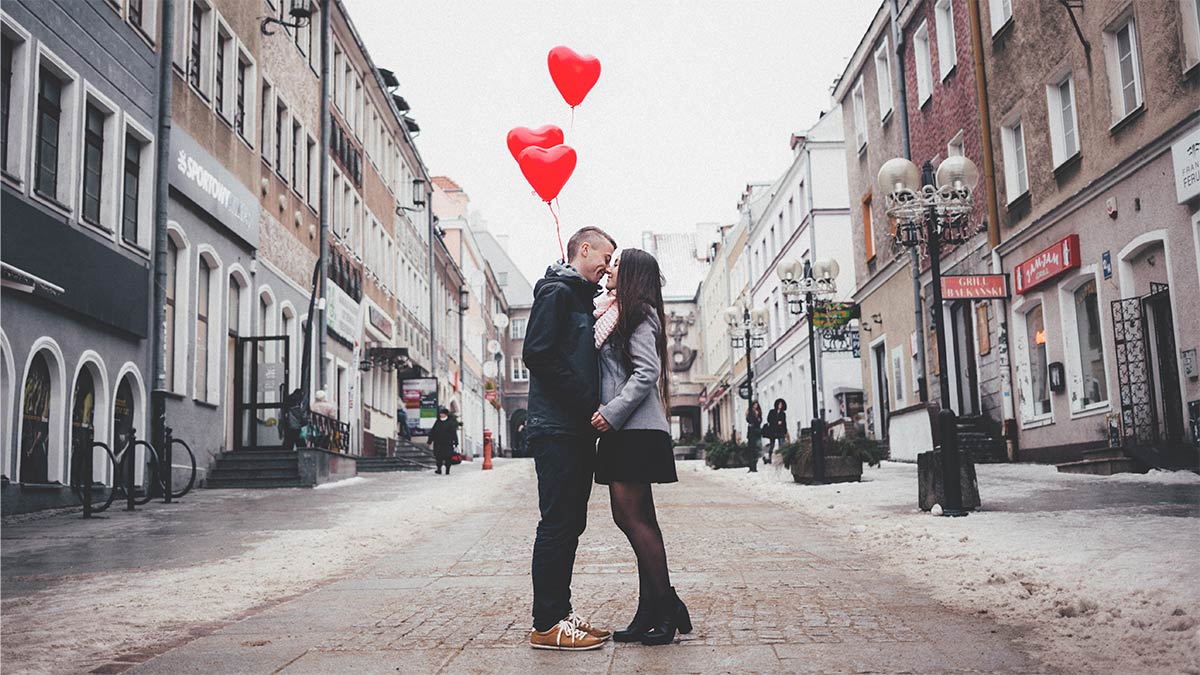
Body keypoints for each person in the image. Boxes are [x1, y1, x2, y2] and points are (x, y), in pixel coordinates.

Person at [591, 248, 691, 646]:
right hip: (625, 430)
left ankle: (664, 608)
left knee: (633, 520)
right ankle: (653, 607)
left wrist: (611, 412)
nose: (608, 270)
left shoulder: (639, 313)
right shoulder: (612, 312)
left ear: (631, 273)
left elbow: (646, 371)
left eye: (615, 265)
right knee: (637, 520)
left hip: (633, 428)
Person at [524, 226, 616, 651]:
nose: (608, 267)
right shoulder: (556, 293)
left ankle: (561, 614)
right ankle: (546, 623)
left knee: (570, 524)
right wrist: (586, 403)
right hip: (558, 427)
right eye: (605, 256)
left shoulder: (579, 296)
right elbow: (537, 353)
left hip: (574, 428)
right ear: (584, 248)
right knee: (558, 524)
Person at [426, 408, 458, 475]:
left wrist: (456, 442)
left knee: (448, 457)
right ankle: (439, 469)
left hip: (447, 443)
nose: (441, 415)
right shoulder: (437, 422)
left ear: (446, 414)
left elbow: (453, 433)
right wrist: (429, 441)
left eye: (442, 413)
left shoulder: (450, 422)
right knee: (438, 457)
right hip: (438, 443)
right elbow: (433, 432)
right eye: (440, 413)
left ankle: (447, 470)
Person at [763, 398, 788, 465]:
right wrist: (777, 422)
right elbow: (769, 419)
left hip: (780, 431)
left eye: (781, 404)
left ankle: (783, 458)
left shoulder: (783, 414)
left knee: (782, 445)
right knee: (772, 445)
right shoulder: (772, 412)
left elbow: (784, 423)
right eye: (779, 404)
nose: (780, 405)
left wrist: (785, 432)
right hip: (773, 431)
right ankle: (769, 457)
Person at [746, 400, 763, 473]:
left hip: (757, 431)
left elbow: (759, 420)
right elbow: (749, 420)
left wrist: (758, 417)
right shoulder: (750, 412)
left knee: (758, 444)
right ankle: (752, 466)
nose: (755, 406)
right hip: (752, 432)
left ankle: (760, 458)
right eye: (754, 405)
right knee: (752, 447)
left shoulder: (758, 412)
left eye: (756, 405)